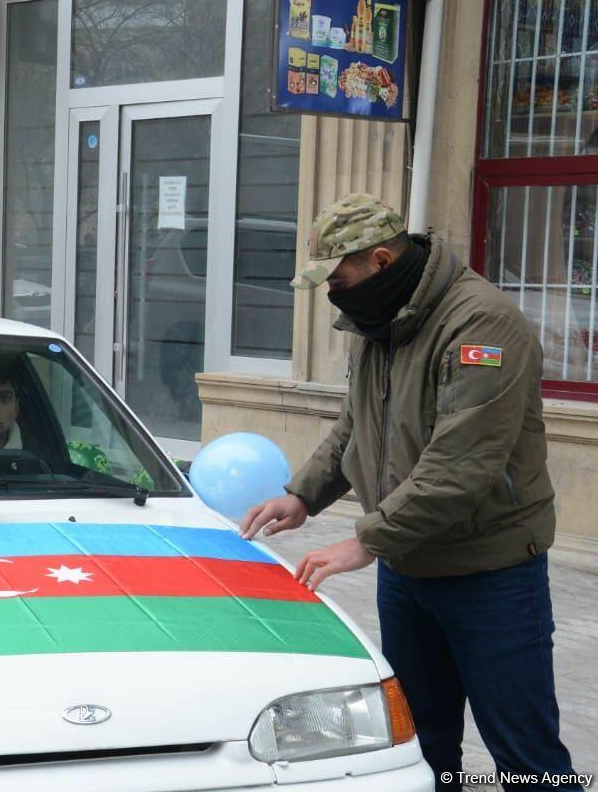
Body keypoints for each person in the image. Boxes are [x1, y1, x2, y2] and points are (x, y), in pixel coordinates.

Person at [239, 194, 580, 792]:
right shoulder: (378, 320)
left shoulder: (483, 325)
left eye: (338, 281)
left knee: (526, 753)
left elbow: (464, 463)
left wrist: (365, 540)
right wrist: (302, 495)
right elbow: (356, 425)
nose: (333, 296)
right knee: (421, 745)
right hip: (407, 569)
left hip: (489, 573)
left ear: (378, 260)